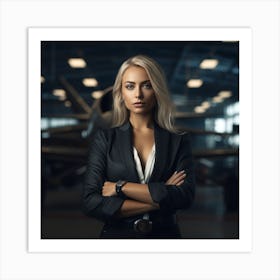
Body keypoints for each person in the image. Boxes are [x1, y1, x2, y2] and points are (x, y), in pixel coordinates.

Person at [82, 54, 195, 238]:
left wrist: (120, 188)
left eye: (147, 85)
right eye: (130, 86)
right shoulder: (105, 139)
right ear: (121, 93)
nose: (138, 95)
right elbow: (91, 202)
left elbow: (185, 196)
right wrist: (162, 195)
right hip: (116, 239)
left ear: (157, 90)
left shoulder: (178, 141)